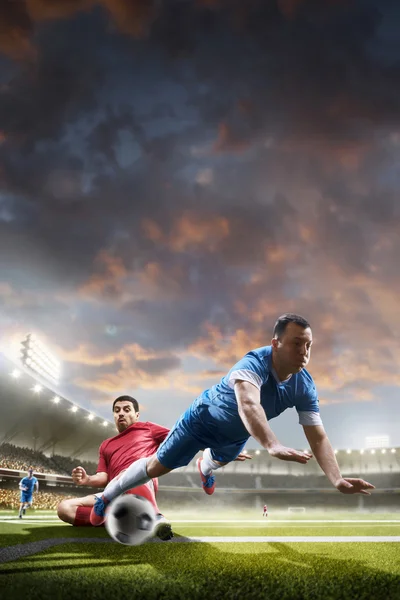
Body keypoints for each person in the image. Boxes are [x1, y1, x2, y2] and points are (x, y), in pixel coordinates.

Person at [91, 314, 375, 526]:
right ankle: (105, 497)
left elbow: (318, 436)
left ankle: (206, 466)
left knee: (219, 458)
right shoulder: (253, 363)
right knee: (156, 467)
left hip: (235, 435)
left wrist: (336, 479)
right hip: (200, 420)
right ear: (275, 344)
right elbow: (249, 404)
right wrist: (272, 444)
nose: (304, 352)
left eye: (309, 345)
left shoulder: (305, 386)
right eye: (297, 343)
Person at [57, 395, 173, 539]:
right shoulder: (106, 445)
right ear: (114, 415)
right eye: (117, 410)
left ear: (136, 415)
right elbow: (103, 477)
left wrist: (207, 449)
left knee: (129, 473)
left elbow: (178, 437)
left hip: (142, 483)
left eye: (126, 409)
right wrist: (87, 479)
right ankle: (126, 520)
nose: (121, 413)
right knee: (65, 508)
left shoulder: (147, 429)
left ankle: (155, 517)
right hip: (114, 490)